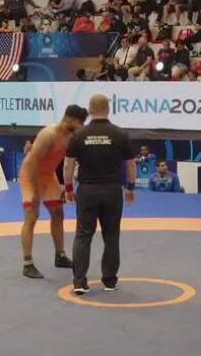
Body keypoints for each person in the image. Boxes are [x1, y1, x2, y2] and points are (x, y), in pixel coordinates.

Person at [63, 94, 136, 295]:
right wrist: (130, 187)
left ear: (90, 110)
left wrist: (68, 188)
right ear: (108, 109)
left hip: (87, 190)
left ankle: (79, 282)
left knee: (83, 235)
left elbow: (68, 165)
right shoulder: (120, 134)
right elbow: (131, 164)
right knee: (111, 236)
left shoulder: (79, 135)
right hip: (112, 191)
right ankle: (109, 281)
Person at [19, 105, 87, 279]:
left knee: (58, 213)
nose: (82, 126)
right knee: (32, 215)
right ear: (70, 120)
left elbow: (66, 161)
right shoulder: (49, 134)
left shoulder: (71, 137)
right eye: (80, 123)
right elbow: (33, 162)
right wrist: (35, 191)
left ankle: (60, 255)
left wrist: (66, 185)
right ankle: (27, 263)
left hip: (48, 175)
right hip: (30, 175)